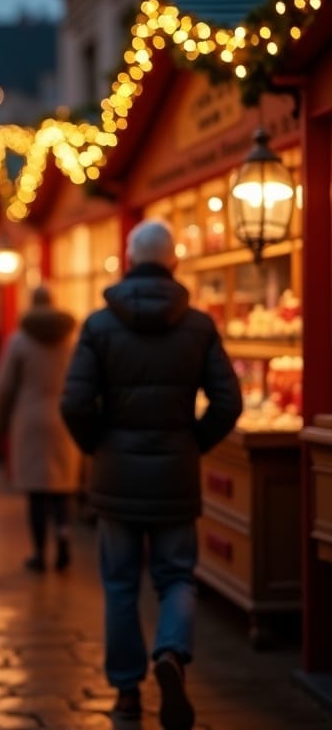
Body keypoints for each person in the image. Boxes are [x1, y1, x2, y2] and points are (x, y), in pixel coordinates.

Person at [60, 219, 242, 730]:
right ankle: (171, 652)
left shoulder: (99, 326)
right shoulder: (199, 325)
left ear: (127, 258)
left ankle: (126, 694)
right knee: (177, 576)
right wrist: (194, 443)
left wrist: (99, 445)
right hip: (175, 473)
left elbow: (74, 401)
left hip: (116, 474)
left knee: (119, 584)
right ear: (174, 262)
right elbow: (229, 401)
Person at [0, 285, 80, 573]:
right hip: (64, 417)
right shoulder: (71, 340)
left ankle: (40, 553)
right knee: (62, 489)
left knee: (37, 492)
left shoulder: (19, 340)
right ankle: (64, 539)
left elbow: (5, 387)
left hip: (29, 418)